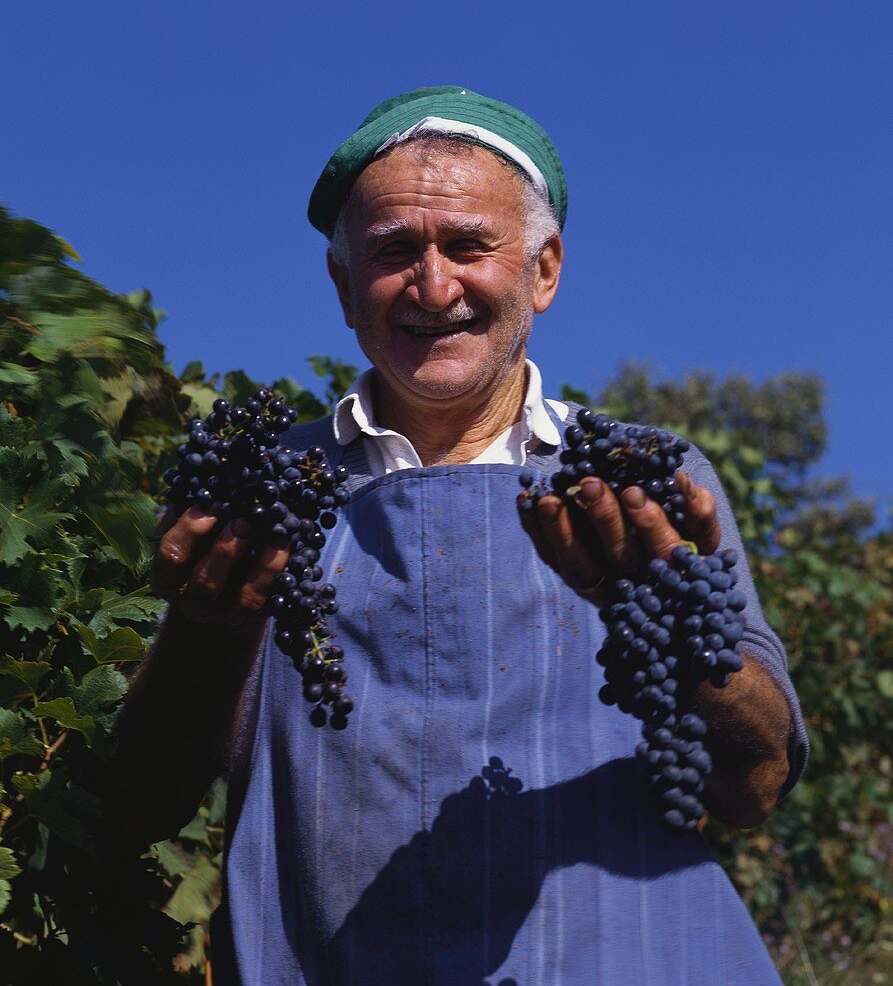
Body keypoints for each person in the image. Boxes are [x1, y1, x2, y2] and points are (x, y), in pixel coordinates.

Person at [110, 86, 808, 985]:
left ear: (542, 270)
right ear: (343, 285)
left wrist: (670, 627)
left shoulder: (647, 484)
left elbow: (753, 785)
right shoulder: (265, 494)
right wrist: (207, 632)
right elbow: (139, 805)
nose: (433, 287)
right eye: (395, 251)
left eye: (468, 247)